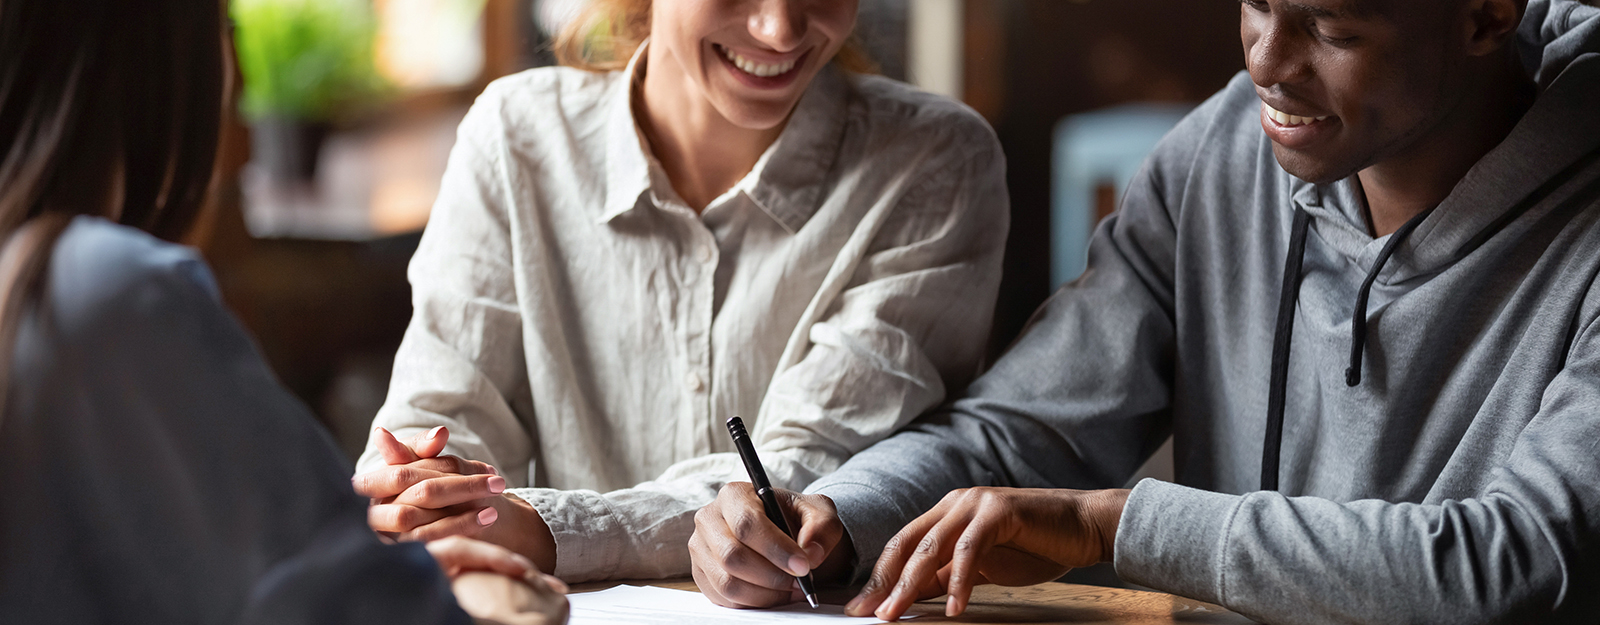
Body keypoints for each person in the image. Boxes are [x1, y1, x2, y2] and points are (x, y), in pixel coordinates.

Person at [690, 0, 1600, 622]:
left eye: (1328, 24)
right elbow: (1022, 427)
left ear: (1486, 13)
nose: (1266, 63)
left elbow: (1525, 564)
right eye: (1256, 4)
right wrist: (842, 515)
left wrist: (1110, 525)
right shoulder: (1221, 148)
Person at [353, 0, 1009, 583]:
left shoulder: (938, 162)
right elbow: (438, 411)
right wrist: (420, 486)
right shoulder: (513, 136)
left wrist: (545, 530)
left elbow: (805, 471)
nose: (779, 27)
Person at [0, 1, 565, 623]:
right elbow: (339, 601)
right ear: (162, 63)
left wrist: (400, 575)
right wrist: (482, 602)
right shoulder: (110, 293)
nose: (238, 82)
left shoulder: (42, 286)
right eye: (225, 31)